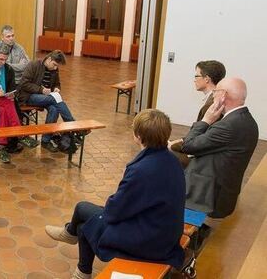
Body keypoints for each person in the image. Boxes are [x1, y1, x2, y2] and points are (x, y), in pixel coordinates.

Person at [45, 109, 186, 279]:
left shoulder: (142, 169)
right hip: (163, 230)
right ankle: (76, 254)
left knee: (84, 217)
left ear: (139, 136)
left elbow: (114, 211)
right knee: (85, 217)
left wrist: (113, 204)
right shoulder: (172, 160)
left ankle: (73, 242)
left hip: (149, 239)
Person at [181, 77, 259, 222]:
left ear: (223, 95)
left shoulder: (229, 125)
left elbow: (188, 146)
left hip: (210, 197)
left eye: (215, 92)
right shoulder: (246, 119)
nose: (213, 95)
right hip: (224, 190)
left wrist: (205, 120)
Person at [18, 50, 77, 152]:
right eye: (54, 65)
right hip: (29, 96)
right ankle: (72, 124)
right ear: (49, 59)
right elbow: (24, 84)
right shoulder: (34, 64)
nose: (55, 68)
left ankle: (45, 140)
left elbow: (57, 84)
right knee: (55, 99)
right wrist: (41, 90)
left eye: (57, 66)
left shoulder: (54, 70)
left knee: (54, 109)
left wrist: (57, 88)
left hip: (47, 98)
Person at [169, 60, 226, 154]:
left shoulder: (211, 105)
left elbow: (200, 139)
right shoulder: (216, 99)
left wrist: (172, 145)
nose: (194, 79)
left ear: (207, 79)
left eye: (196, 76)